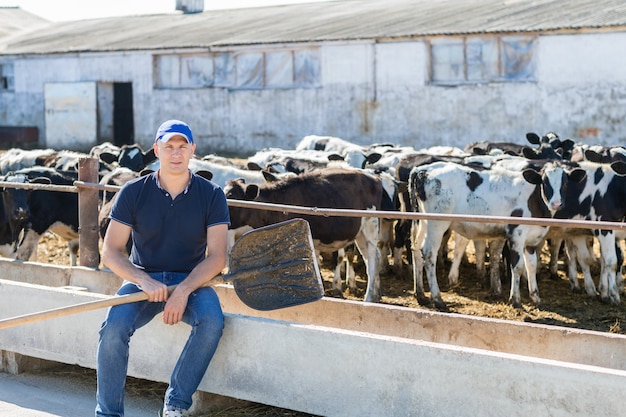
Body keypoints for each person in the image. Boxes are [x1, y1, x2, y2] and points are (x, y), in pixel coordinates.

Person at [95, 120, 231, 417]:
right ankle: (108, 413)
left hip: (193, 281)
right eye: (169, 146)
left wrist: (183, 291)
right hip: (143, 278)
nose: (176, 153)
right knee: (113, 327)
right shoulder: (133, 192)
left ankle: (175, 405)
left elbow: (217, 257)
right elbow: (111, 252)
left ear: (193, 150)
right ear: (156, 149)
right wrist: (143, 280)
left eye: (183, 146)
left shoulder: (211, 194)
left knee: (212, 322)